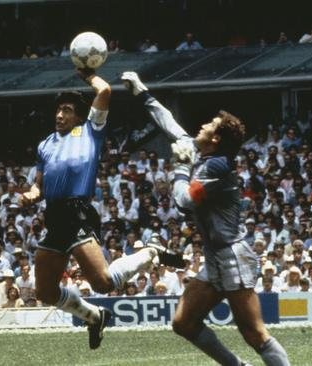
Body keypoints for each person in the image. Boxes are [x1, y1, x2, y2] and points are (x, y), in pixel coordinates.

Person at [121, 71, 289, 366]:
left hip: (232, 257)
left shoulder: (217, 167)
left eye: (208, 124)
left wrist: (181, 169)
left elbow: (184, 201)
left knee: (254, 333)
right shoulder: (204, 155)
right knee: (184, 322)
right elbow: (169, 123)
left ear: (215, 138)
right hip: (216, 258)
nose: (201, 125)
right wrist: (141, 92)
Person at [18, 68, 180, 350]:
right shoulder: (45, 144)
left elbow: (104, 90)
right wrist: (31, 195)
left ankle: (150, 251)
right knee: (44, 290)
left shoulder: (90, 130)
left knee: (103, 283)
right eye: (58, 110)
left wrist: (87, 74)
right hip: (54, 216)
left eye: (66, 110)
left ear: (79, 116)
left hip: (78, 210)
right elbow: (38, 186)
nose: (59, 115)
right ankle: (94, 316)